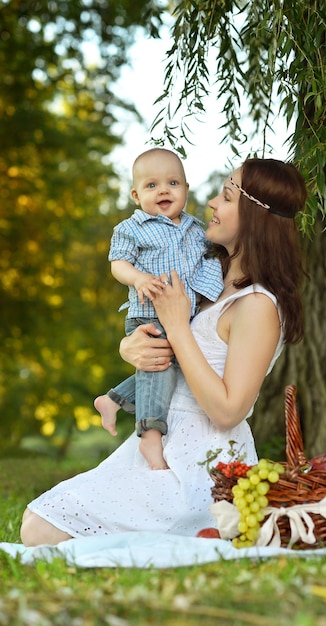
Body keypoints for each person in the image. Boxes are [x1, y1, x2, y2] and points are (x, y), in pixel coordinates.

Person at [20, 157, 307, 547]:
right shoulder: (206, 278)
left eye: (225, 196)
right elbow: (166, 341)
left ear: (255, 217)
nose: (211, 205)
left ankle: (192, 541)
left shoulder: (257, 305)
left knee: (42, 528)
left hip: (205, 463)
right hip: (159, 440)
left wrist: (175, 326)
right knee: (40, 521)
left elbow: (228, 410)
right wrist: (131, 347)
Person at [94, 148, 224, 470]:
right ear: (136, 196)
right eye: (152, 186)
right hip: (149, 313)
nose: (164, 190)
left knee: (174, 368)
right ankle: (150, 435)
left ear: (186, 189)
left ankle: (112, 400)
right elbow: (118, 263)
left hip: (182, 316)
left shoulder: (196, 229)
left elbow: (208, 263)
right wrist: (138, 278)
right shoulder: (133, 228)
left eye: (173, 183)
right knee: (159, 367)